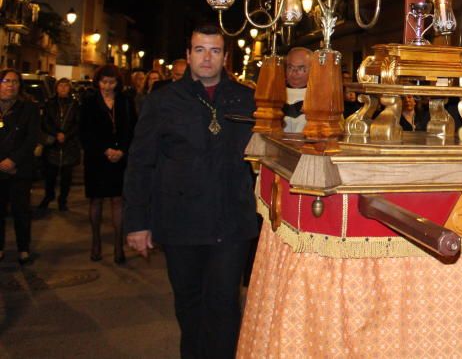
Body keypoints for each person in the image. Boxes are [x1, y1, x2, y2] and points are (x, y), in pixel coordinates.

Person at [124, 23, 257, 359]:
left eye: (214, 50)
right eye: (200, 50)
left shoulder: (247, 99)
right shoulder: (163, 101)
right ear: (188, 55)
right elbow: (141, 164)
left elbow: (263, 160)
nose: (207, 58)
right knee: (190, 304)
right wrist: (137, 222)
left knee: (225, 305)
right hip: (181, 223)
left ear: (226, 56)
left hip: (231, 223)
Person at [80, 65, 136, 263]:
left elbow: (132, 129)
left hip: (120, 157)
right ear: (98, 82)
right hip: (97, 158)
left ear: (117, 83)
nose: (107, 86)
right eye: (104, 82)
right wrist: (105, 150)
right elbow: (85, 132)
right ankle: (96, 242)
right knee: (96, 200)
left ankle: (118, 246)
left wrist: (122, 150)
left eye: (111, 82)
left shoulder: (126, 102)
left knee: (117, 200)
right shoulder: (89, 102)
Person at [0, 69, 41, 265]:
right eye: (6, 81)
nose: (10, 85)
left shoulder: (29, 109)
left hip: (20, 169)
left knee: (21, 211)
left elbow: (32, 138)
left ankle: (23, 248)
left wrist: (13, 160)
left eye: (15, 82)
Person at [38, 78, 82, 212]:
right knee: (50, 175)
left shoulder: (75, 104)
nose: (63, 88)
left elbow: (78, 123)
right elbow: (45, 122)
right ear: (56, 88)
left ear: (70, 88)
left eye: (66, 86)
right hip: (53, 144)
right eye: (60, 86)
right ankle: (49, 196)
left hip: (69, 145)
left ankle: (63, 200)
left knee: (66, 177)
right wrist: (56, 134)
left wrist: (66, 135)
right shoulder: (49, 103)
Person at [283, 47, 310, 133]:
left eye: (301, 68)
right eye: (290, 67)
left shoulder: (320, 97)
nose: (295, 72)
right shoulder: (274, 94)